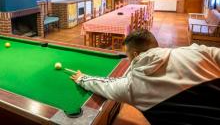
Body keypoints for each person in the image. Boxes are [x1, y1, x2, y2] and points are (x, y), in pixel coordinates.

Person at [71, 29, 220, 111]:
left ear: (135, 54)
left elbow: (105, 85)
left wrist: (82, 78)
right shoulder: (196, 51)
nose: (128, 60)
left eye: (128, 56)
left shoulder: (134, 85)